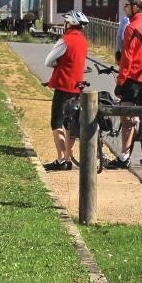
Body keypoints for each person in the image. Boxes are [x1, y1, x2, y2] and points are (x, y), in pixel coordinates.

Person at [105, 0, 142, 169]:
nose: (124, 9)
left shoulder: (132, 28)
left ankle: (124, 156)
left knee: (126, 115)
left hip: (134, 75)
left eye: (126, 6)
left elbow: (127, 57)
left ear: (135, 7)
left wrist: (121, 81)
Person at [43, 10, 89, 171]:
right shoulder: (84, 41)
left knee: (56, 123)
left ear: (69, 23)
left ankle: (61, 159)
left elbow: (48, 61)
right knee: (71, 124)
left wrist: (58, 64)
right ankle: (68, 157)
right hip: (77, 86)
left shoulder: (65, 40)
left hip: (63, 86)